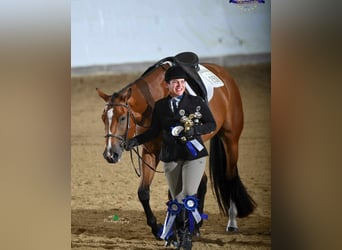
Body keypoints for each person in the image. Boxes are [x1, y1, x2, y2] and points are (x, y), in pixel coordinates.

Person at [125, 66, 216, 249]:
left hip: (194, 156)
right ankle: (181, 233)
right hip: (171, 158)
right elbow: (154, 131)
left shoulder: (196, 102)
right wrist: (134, 142)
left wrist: (195, 130)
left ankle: (185, 235)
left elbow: (211, 124)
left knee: (186, 195)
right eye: (175, 83)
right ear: (167, 85)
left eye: (182, 83)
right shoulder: (161, 106)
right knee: (176, 201)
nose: (180, 86)